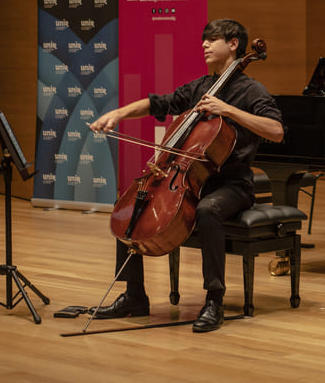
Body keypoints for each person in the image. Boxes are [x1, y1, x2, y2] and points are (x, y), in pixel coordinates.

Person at [88, 18, 284, 333]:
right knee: (132, 202)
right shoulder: (200, 87)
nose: (204, 45)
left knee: (208, 209)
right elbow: (159, 103)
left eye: (212, 39)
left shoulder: (251, 91)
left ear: (233, 44)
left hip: (231, 185)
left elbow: (276, 131)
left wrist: (229, 111)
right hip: (189, 180)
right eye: (203, 40)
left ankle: (214, 300)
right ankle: (134, 294)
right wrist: (119, 113)